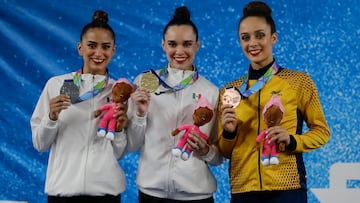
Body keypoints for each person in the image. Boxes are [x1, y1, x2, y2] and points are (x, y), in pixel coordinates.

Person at [218, 1, 330, 203]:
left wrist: (293, 140)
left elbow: (322, 132)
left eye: (260, 35)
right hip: (243, 188)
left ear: (273, 38)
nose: (252, 43)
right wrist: (228, 132)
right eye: (245, 38)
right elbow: (224, 151)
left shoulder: (299, 82)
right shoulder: (230, 91)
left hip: (287, 187)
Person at [126, 6, 224, 203]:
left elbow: (218, 158)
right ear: (163, 45)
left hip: (197, 195)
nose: (179, 51)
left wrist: (206, 151)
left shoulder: (211, 92)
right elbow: (132, 144)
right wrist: (139, 114)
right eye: (172, 44)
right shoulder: (144, 83)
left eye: (187, 44)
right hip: (152, 193)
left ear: (198, 45)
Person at [30, 10, 127, 203]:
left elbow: (118, 152)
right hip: (63, 191)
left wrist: (120, 129)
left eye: (105, 47)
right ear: (80, 48)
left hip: (105, 193)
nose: (99, 53)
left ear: (113, 50)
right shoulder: (57, 85)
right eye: (92, 46)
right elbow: (40, 145)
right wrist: (51, 117)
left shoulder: (119, 91)